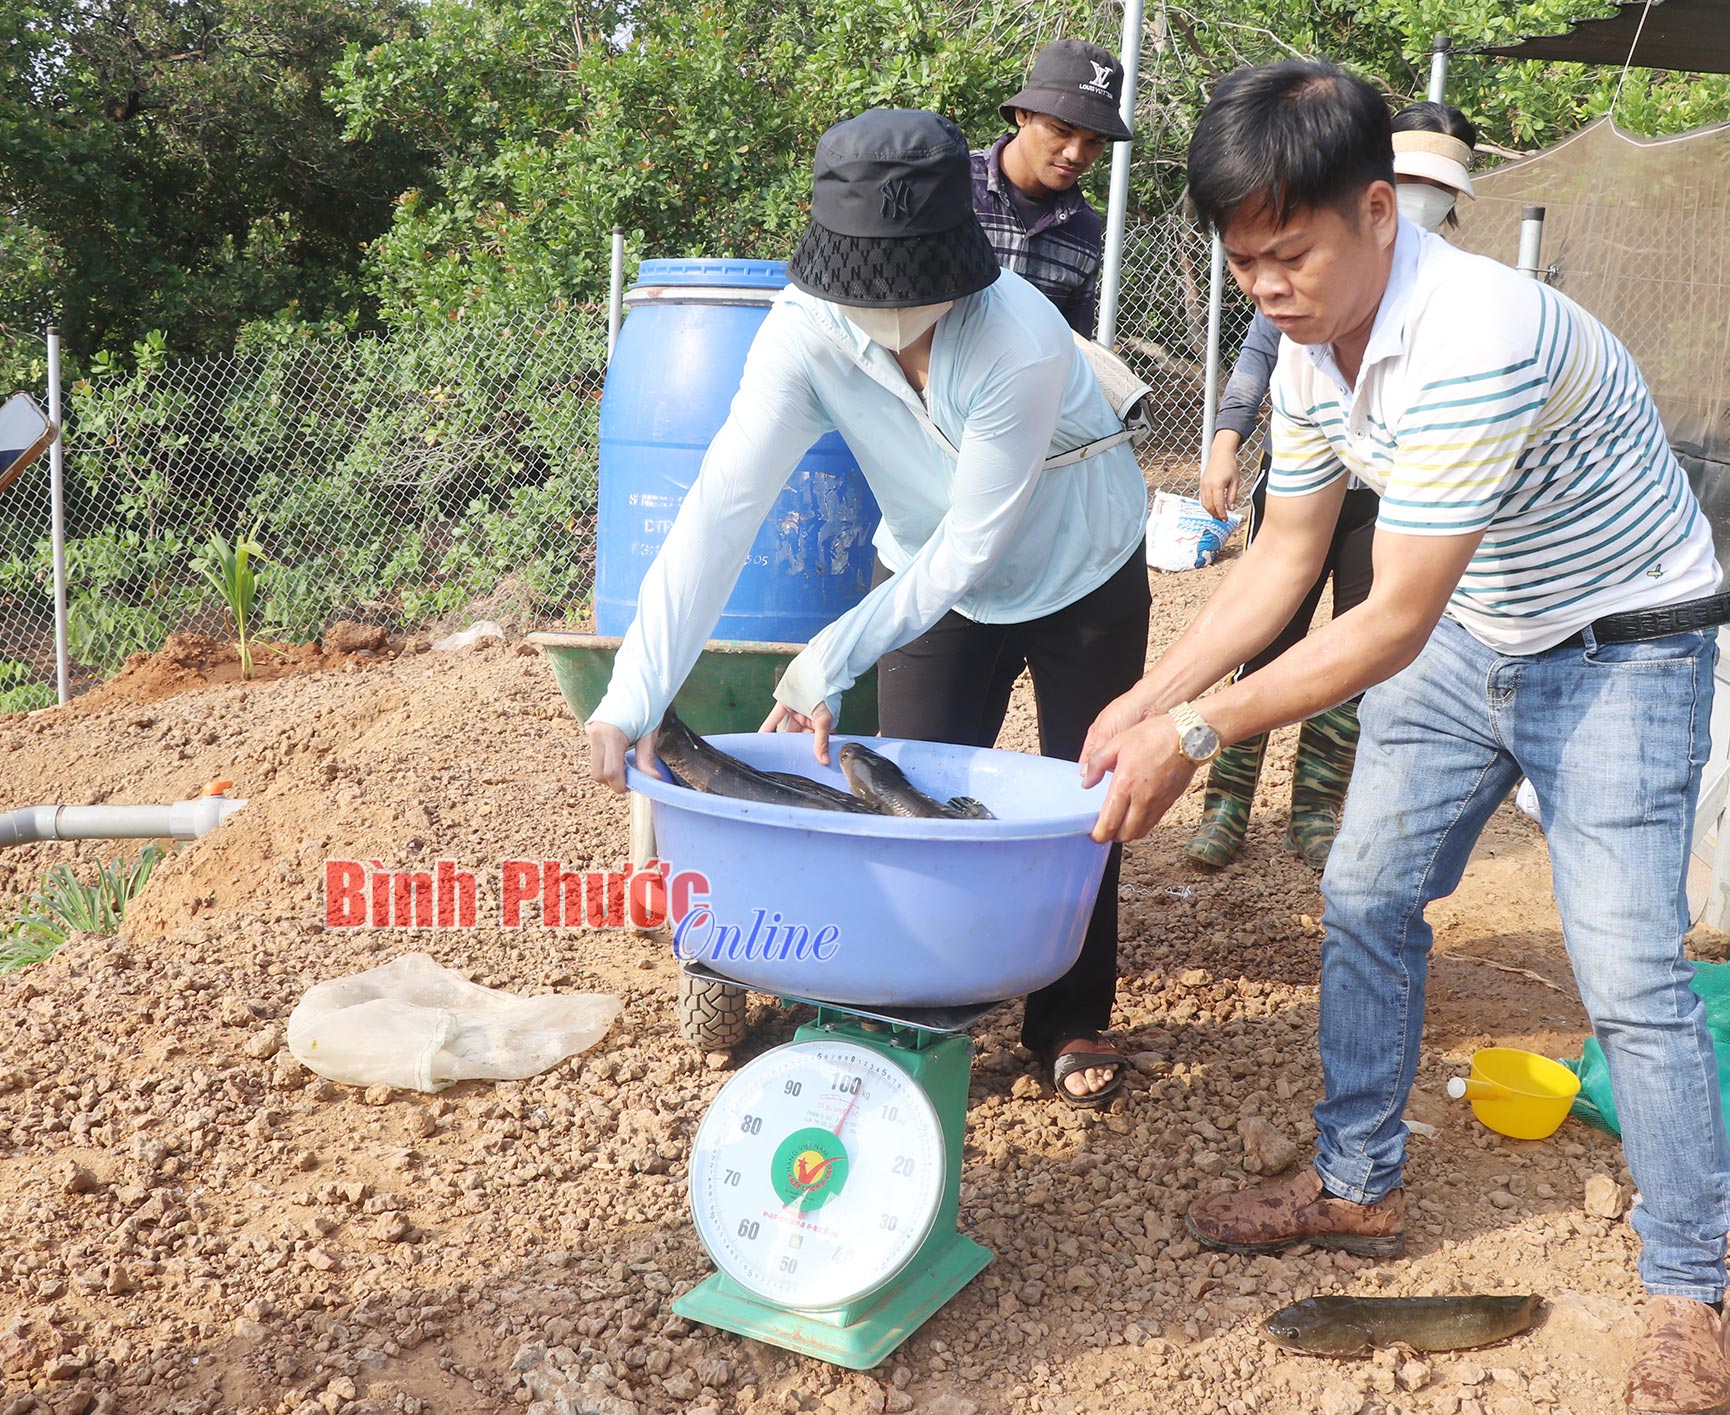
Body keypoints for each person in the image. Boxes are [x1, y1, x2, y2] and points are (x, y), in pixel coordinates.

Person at [1081, 63, 1730, 1414]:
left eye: (1289, 253)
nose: (1264, 287)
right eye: (1242, 261)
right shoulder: (1318, 348)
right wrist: (1152, 694)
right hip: (1477, 630)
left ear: (1380, 209)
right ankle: (1358, 1183)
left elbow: (1385, 621)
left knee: (1627, 975)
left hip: (1626, 640)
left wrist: (1195, 731)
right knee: (1367, 889)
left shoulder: (1472, 334)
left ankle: (1689, 1289)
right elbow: (1286, 554)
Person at [586, 109, 1149, 1108]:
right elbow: (720, 508)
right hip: (920, 579)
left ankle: (1066, 1014)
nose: (887, 313)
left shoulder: (1015, 334)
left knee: (1083, 798)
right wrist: (634, 692)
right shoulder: (802, 329)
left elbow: (973, 545)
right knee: (893, 807)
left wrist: (822, 658)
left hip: (1078, 568)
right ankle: (901, 1007)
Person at [1187, 102, 1478, 870]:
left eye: (1440, 186)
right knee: (1271, 639)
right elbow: (1257, 364)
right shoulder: (1309, 281)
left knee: (1357, 647)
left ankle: (1316, 806)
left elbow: (1393, 625)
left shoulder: (1459, 308)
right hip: (1301, 485)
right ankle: (1226, 805)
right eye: (1413, 177)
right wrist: (1225, 442)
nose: (1425, 196)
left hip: (1383, 504)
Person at [969, 39, 1133, 336]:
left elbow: (1072, 348)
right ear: (1023, 114)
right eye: (1062, 131)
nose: (1076, 154)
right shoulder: (954, 186)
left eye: (1094, 142)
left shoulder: (1082, 229)